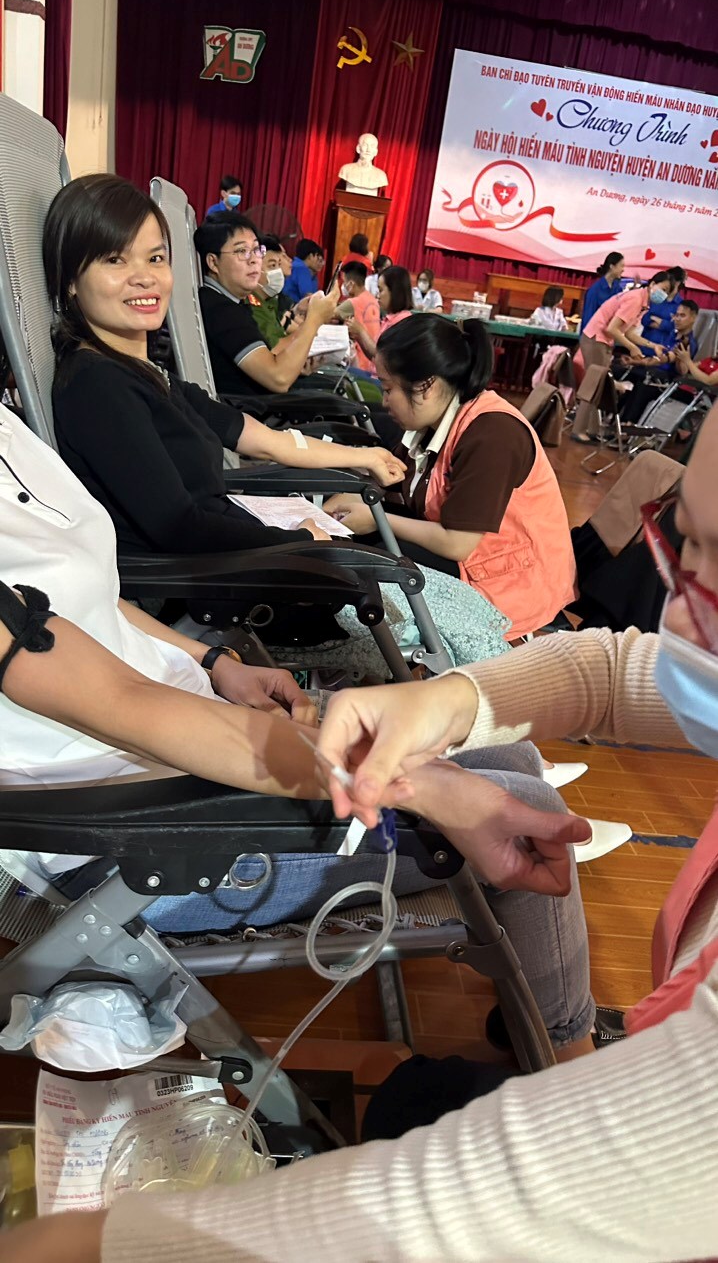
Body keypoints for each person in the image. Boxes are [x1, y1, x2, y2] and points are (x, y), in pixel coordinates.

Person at [11, 404, 718, 1262]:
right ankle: (560, 1045)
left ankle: (560, 1053)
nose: (678, 607)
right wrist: (441, 718)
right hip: (136, 792)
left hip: (178, 733)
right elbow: (613, 667)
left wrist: (74, 1248)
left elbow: (445, 1209)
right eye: (683, 544)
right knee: (501, 807)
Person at [43, 175, 405, 560]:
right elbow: (178, 528)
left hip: (232, 546)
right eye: (115, 260)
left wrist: (364, 457)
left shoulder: (144, 372)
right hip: (211, 576)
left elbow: (267, 440)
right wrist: (299, 541)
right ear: (70, 280)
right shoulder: (99, 386)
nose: (145, 277)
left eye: (156, 258)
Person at [325, 315, 576, 639]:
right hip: (474, 561)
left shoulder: (492, 434)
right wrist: (354, 499)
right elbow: (396, 478)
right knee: (358, 550)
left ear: (426, 386)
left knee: (368, 562)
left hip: (506, 581)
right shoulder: (438, 419)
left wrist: (376, 518)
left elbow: (458, 543)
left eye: (388, 389)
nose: (384, 401)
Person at [194, 214, 341, 398]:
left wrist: (295, 362)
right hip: (252, 410)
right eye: (242, 251)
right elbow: (278, 378)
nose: (254, 260)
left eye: (256, 250)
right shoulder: (220, 310)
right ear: (213, 262)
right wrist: (314, 319)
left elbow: (270, 358)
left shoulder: (232, 302)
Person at [573, 270, 673, 439]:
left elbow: (630, 332)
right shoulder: (635, 299)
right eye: (662, 289)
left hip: (603, 341)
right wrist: (631, 348)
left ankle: (592, 429)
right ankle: (579, 430)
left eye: (667, 292)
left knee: (598, 386)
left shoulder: (643, 302)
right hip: (596, 339)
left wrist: (652, 345)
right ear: (652, 284)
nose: (663, 294)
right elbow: (612, 328)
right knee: (594, 385)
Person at [620, 300, 699, 425]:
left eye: (682, 316)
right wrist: (635, 361)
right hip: (652, 373)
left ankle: (627, 425)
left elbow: (669, 362)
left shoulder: (688, 343)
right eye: (676, 315)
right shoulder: (672, 335)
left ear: (693, 318)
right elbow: (657, 359)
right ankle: (613, 419)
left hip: (665, 382)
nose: (677, 319)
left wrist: (680, 359)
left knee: (641, 385)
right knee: (620, 372)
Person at [347, 264, 413, 375]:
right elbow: (374, 357)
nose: (377, 295)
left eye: (381, 290)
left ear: (394, 291)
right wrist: (357, 335)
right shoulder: (389, 318)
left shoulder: (403, 321)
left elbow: (384, 357)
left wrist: (361, 331)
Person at [249, 235, 295, 348]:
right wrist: (314, 320)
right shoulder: (250, 306)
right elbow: (275, 350)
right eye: (272, 265)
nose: (278, 271)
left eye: (279, 265)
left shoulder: (270, 301)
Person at [338, 260, 380, 372]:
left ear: (351, 284)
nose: (343, 286)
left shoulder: (353, 303)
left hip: (359, 363)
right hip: (372, 362)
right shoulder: (372, 299)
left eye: (344, 282)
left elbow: (327, 314)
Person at [639, 264, 686, 355]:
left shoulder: (681, 305)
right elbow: (644, 319)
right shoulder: (656, 298)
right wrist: (663, 323)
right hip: (644, 346)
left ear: (677, 283)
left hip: (664, 351)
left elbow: (674, 328)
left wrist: (655, 319)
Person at [580, 250, 624, 329]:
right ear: (612, 266)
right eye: (621, 266)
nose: (623, 269)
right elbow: (588, 319)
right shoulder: (595, 290)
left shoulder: (618, 289)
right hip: (594, 333)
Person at [283, 238, 325, 303]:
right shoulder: (302, 269)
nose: (322, 264)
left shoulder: (294, 265)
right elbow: (308, 297)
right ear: (310, 256)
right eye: (318, 259)